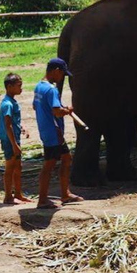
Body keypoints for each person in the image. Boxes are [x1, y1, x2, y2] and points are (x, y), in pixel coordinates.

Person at [33, 58, 83, 209]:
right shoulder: (51, 89)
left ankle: (65, 194)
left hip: (48, 131)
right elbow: (56, 111)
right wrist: (67, 110)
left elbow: (36, 107)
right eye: (62, 74)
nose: (62, 77)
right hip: (54, 133)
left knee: (67, 159)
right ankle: (42, 199)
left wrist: (61, 109)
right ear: (55, 71)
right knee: (49, 165)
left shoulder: (39, 87)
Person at [0, 73, 32, 205]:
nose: (21, 88)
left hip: (14, 139)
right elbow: (8, 124)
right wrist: (14, 145)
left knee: (18, 167)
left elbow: (13, 121)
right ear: (9, 86)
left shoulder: (12, 102)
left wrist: (22, 127)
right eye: (18, 86)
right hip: (9, 140)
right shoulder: (7, 104)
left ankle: (18, 193)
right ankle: (8, 196)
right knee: (10, 167)